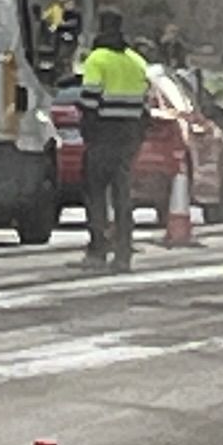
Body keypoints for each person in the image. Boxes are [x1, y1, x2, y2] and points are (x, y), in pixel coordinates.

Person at [74, 16, 153, 270]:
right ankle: (123, 253)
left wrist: (87, 130)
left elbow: (89, 102)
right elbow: (144, 106)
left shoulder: (97, 59)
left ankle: (98, 250)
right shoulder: (136, 61)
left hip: (103, 135)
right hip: (128, 137)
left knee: (96, 192)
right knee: (122, 194)